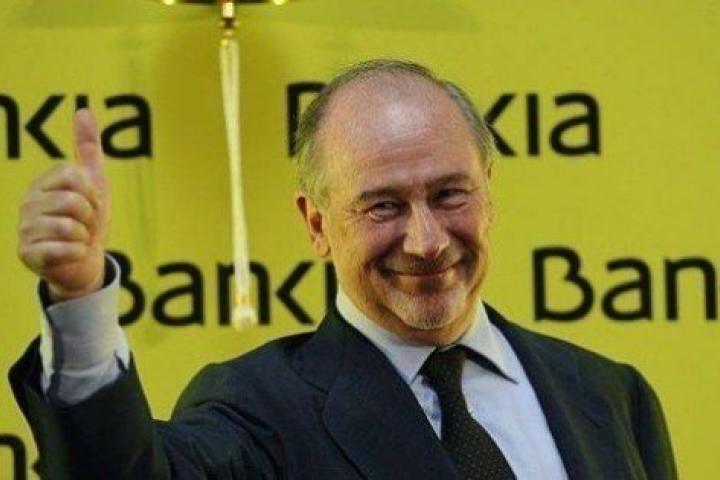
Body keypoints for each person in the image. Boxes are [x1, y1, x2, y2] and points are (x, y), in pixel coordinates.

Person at [10, 59, 677, 480]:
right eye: (383, 206)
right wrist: (80, 298)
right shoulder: (258, 409)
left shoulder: (609, 395)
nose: (426, 241)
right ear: (316, 224)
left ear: (488, 194)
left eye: (450, 195)